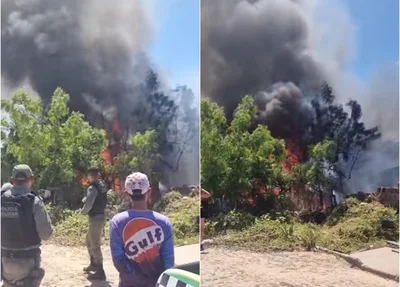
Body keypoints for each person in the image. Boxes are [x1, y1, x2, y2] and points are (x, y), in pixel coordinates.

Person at [110, 172, 175, 287]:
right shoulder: (164, 222)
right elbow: (168, 262)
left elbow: (119, 260)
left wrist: (135, 279)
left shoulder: (117, 222)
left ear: (126, 194)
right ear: (149, 192)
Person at [1, 164, 53, 287]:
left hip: (5, 261)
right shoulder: (34, 201)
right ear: (32, 179)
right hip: (27, 262)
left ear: (12, 180)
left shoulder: (1, 199)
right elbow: (46, 234)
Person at [81, 167, 108, 280]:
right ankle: (93, 264)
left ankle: (100, 270)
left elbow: (88, 204)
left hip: (96, 218)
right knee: (88, 241)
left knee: (94, 244)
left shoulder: (92, 188)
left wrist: (82, 211)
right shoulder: (102, 185)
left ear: (90, 176)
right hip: (101, 216)